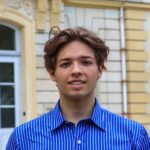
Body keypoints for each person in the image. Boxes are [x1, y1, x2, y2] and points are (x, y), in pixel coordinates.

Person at [6, 27, 150, 150]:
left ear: (100, 69)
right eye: (66, 64)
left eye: (86, 62)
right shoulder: (23, 139)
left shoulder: (133, 136)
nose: (76, 70)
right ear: (52, 73)